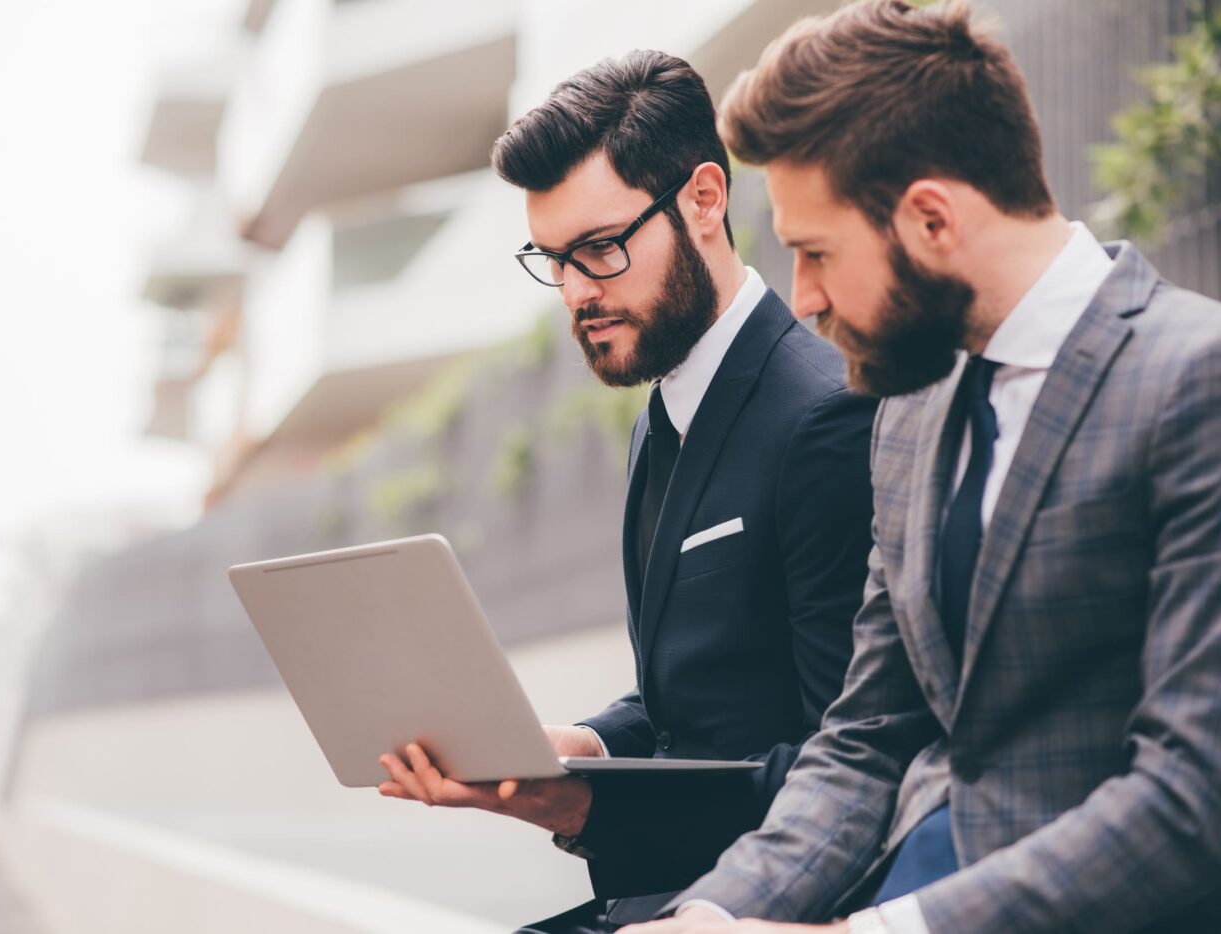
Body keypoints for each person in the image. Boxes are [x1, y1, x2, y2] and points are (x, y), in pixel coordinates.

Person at [619, 2, 1221, 932]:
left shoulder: (1199, 381)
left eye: (816, 253)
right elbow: (865, 741)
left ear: (931, 217)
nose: (806, 300)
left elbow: (1198, 797)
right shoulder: (906, 413)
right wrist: (711, 914)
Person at [375, 50, 877, 931]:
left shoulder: (823, 418)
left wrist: (580, 804)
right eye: (553, 257)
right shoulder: (663, 415)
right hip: (657, 892)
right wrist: (585, 747)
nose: (575, 292)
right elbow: (686, 703)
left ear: (705, 199)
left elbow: (848, 766)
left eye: (601, 248)